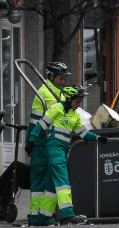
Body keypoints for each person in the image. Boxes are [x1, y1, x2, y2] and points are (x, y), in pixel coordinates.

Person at [28, 85, 106, 225]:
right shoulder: (56, 108)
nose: (79, 105)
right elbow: (41, 125)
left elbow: (83, 133)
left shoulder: (75, 115)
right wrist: (31, 140)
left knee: (53, 185)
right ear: (69, 99)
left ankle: (43, 218)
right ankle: (67, 214)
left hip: (63, 150)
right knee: (63, 181)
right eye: (77, 102)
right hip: (54, 148)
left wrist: (97, 138)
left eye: (80, 102)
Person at [21, 61, 69, 226]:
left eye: (64, 79)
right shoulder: (47, 93)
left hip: (45, 143)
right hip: (42, 143)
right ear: (51, 77)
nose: (63, 82)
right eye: (61, 79)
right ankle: (37, 217)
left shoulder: (57, 92)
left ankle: (41, 216)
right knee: (41, 181)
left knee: (46, 181)